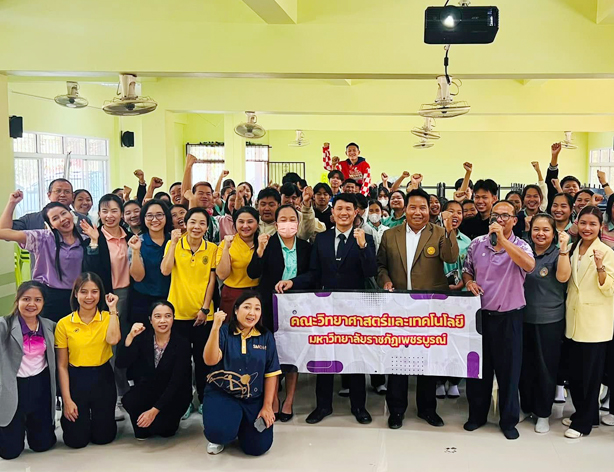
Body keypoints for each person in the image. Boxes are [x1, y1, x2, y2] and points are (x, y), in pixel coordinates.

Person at [276, 193, 377, 425]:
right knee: (325, 356)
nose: (344, 213)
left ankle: (359, 406)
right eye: (339, 208)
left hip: (355, 310)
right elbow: (314, 273)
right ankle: (323, 406)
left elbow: (371, 271)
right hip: (326, 308)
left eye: (348, 209)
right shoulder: (321, 239)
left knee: (356, 357)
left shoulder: (366, 238)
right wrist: (293, 282)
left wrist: (363, 247)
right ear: (332, 213)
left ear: (356, 212)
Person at [377, 189, 459, 429]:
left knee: (428, 360)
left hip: (429, 308)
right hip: (398, 307)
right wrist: (385, 282)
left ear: (429, 210)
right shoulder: (390, 235)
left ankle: (427, 409)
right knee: (397, 360)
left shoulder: (440, 232)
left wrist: (449, 230)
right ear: (405, 210)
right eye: (413, 207)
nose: (418, 212)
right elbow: (380, 266)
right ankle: (396, 410)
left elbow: (451, 257)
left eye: (423, 207)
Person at [463, 200, 535, 440]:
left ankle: (508, 421)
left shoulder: (521, 245)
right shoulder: (477, 243)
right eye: (496, 215)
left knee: (509, 372)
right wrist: (469, 282)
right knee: (479, 371)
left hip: (510, 317)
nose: (500, 219)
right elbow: (467, 270)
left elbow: (530, 266)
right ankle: (477, 416)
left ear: (514, 220)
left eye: (506, 216)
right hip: (480, 317)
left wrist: (503, 241)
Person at [247, 204, 312, 422]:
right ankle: (272, 398)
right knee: (271, 352)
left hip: (297, 306)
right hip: (269, 306)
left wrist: (293, 282)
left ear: (298, 223)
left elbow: (313, 274)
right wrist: (259, 250)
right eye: (283, 219)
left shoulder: (305, 247)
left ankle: (289, 400)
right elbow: (253, 273)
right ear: (276, 224)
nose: (287, 223)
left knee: (293, 352)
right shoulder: (267, 243)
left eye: (292, 219)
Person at [203, 292, 281, 456]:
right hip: (223, 394)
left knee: (258, 448)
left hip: (253, 398)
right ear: (236, 310)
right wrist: (215, 328)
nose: (252, 313)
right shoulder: (224, 331)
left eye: (257, 308)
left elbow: (271, 373)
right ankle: (226, 428)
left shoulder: (266, 336)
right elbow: (209, 360)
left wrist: (267, 406)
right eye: (247, 307)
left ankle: (240, 427)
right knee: (220, 433)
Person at [161, 207, 218, 417]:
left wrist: (205, 308)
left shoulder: (212, 248)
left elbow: (212, 280)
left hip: (203, 314)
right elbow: (165, 270)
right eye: (193, 222)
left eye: (202, 223)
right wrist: (173, 243)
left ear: (207, 227)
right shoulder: (173, 244)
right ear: (185, 223)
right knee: (181, 363)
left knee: (203, 361)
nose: (197, 227)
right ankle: (184, 402)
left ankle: (204, 399)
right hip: (178, 314)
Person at [563, 206, 614, 439]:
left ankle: (583, 425)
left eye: (592, 224)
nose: (587, 228)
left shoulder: (607, 252)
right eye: (583, 223)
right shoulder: (573, 248)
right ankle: (588, 414)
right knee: (575, 374)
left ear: (600, 226)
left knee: (590, 377)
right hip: (574, 319)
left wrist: (600, 266)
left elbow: (609, 288)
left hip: (595, 323)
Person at [55, 272, 121, 448]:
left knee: (103, 438)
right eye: (84, 292)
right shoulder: (64, 324)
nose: (89, 297)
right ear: (76, 293)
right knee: (76, 441)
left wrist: (113, 309)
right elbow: (62, 366)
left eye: (94, 291)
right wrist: (67, 400)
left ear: (101, 294)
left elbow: (114, 339)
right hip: (76, 378)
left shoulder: (108, 317)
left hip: (102, 376)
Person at [80, 193, 132, 416]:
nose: (109, 215)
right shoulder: (95, 236)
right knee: (109, 345)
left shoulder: (130, 236)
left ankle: (123, 391)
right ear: (99, 213)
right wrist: (93, 242)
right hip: (108, 297)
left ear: (122, 213)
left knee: (125, 344)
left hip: (130, 295)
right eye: (104, 211)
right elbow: (89, 270)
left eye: (114, 211)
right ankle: (112, 396)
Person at [520, 214, 571, 434]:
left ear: (553, 233)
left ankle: (543, 413)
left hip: (549, 321)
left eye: (546, 230)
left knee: (545, 369)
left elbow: (563, 277)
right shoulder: (524, 250)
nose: (540, 234)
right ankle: (526, 407)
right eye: (536, 229)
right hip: (522, 318)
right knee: (524, 368)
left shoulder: (558, 253)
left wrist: (563, 249)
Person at [0, 193, 87, 322]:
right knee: (49, 333)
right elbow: (3, 232)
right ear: (51, 225)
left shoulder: (86, 240)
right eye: (55, 218)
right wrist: (12, 203)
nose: (62, 219)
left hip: (79, 297)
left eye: (64, 213)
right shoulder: (42, 238)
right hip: (49, 297)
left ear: (71, 214)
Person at [116, 301, 192, 440]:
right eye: (157, 316)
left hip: (173, 395)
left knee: (165, 431)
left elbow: (177, 382)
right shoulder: (143, 338)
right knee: (140, 425)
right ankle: (145, 422)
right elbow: (121, 363)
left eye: (167, 316)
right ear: (150, 320)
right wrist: (130, 337)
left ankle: (159, 419)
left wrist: (154, 411)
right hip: (148, 390)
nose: (163, 321)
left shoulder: (182, 343)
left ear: (173, 318)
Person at [0, 281, 57, 460]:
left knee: (43, 445)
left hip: (40, 384)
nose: (31, 304)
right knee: (9, 452)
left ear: (43, 303)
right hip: (14, 386)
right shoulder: (4, 325)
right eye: (26, 299)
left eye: (37, 300)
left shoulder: (49, 326)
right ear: (17, 300)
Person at [128, 199, 172, 327]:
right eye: (149, 215)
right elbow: (138, 277)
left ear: (166, 216)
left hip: (170, 298)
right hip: (143, 300)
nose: (154, 219)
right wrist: (136, 251)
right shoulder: (137, 241)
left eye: (159, 215)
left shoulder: (174, 241)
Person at [216, 206, 260, 318]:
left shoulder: (263, 242)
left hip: (257, 295)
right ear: (235, 224)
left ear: (257, 223)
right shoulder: (227, 243)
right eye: (241, 222)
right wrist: (226, 248)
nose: (245, 226)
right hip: (233, 295)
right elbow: (222, 275)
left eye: (250, 222)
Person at [6, 178, 88, 231]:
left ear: (73, 196)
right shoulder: (31, 220)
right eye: (58, 191)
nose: (62, 195)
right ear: (49, 195)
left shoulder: (83, 220)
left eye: (67, 192)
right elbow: (5, 230)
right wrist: (11, 203)